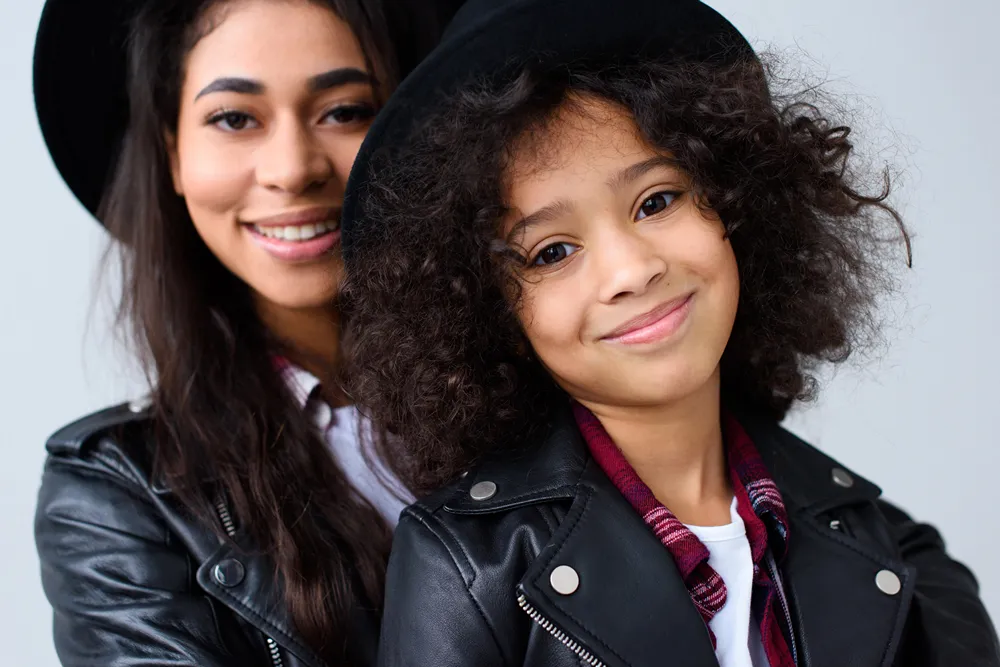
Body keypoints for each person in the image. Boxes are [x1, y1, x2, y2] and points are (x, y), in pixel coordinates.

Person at [339, 0, 1000, 665]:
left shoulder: (897, 553)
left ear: (734, 205)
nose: (631, 269)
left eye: (657, 201)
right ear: (491, 315)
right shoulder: (467, 569)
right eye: (551, 252)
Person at [31, 0, 460, 665]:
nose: (292, 168)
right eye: (234, 118)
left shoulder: (565, 389)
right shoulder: (116, 497)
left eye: (345, 110)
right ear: (174, 154)